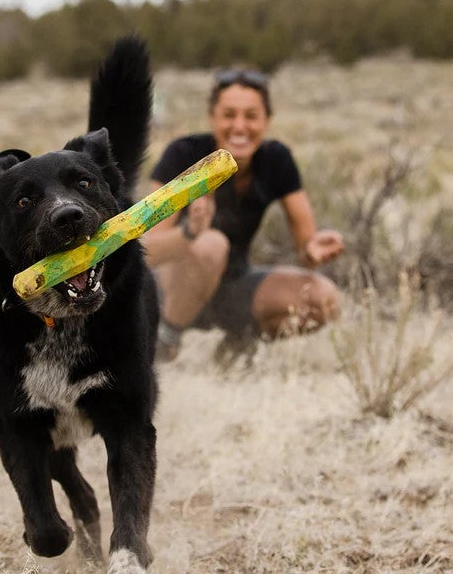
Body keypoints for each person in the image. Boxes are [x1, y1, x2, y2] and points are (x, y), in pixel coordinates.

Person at [142, 68, 344, 361]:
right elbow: (146, 252)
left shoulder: (276, 159)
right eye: (229, 115)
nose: (239, 126)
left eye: (251, 116)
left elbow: (305, 248)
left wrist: (313, 250)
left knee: (323, 298)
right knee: (212, 244)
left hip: (233, 286)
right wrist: (190, 233)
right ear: (213, 118)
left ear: (266, 121)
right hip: (171, 288)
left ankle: (237, 345)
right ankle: (165, 341)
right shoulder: (184, 155)